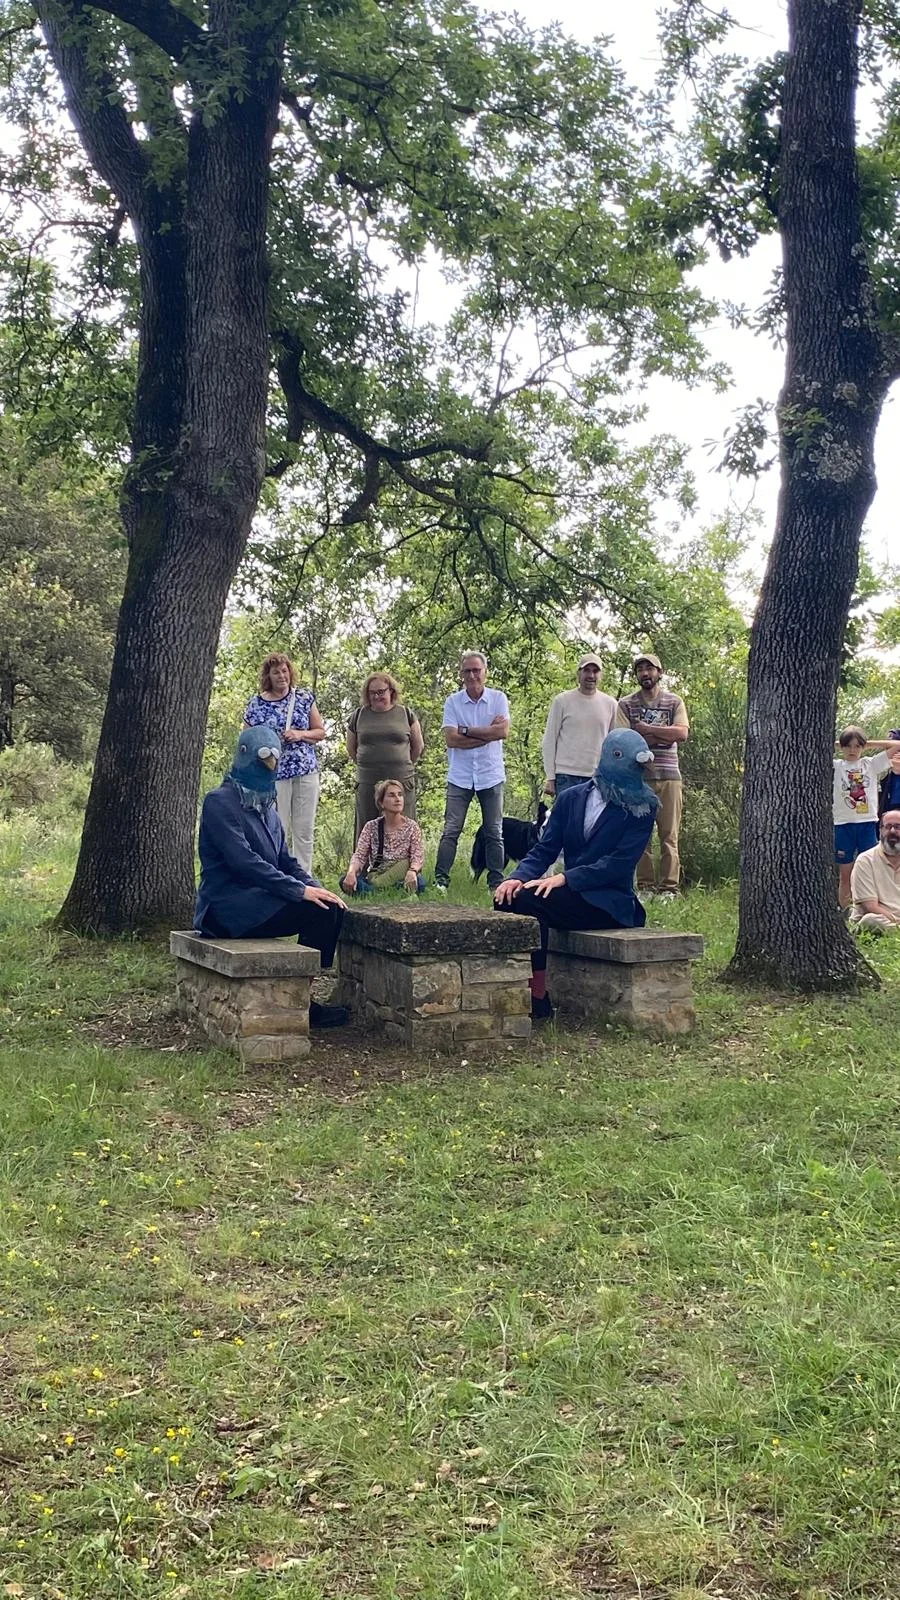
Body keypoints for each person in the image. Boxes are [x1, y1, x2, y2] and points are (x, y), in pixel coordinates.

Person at [494, 729, 657, 1020]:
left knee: (531, 901)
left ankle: (537, 997)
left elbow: (619, 864)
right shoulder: (571, 798)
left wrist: (567, 878)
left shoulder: (642, 807)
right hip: (572, 895)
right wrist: (517, 877)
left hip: (608, 902)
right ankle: (509, 988)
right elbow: (545, 849)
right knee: (508, 898)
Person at [193, 726, 348, 1027]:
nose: (268, 767)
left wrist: (314, 887)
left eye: (273, 760)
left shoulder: (267, 808)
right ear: (245, 757)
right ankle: (304, 1006)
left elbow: (285, 861)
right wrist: (298, 892)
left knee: (329, 907)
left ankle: (303, 995)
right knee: (317, 910)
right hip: (225, 910)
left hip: (258, 902)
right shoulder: (220, 802)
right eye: (262, 760)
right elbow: (244, 863)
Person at [434, 651, 510, 893]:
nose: (472, 675)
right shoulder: (452, 702)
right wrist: (487, 733)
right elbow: (451, 739)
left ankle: (495, 883)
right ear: (461, 674)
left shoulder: (498, 699)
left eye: (476, 670)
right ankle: (440, 881)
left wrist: (466, 730)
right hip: (460, 775)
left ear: (485, 672)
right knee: (451, 830)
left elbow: (502, 732)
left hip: (490, 775)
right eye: (467, 671)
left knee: (494, 831)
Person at [617, 652, 689, 900]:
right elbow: (624, 742)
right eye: (640, 669)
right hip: (638, 779)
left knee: (669, 835)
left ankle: (669, 889)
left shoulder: (674, 701)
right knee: (640, 835)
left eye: (650, 668)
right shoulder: (626, 704)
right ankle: (645, 887)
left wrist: (646, 730)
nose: (645, 673)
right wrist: (663, 735)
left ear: (659, 672)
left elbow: (681, 734)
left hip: (669, 777)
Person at [243, 653, 324, 873]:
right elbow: (246, 741)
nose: (281, 676)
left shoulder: (304, 698)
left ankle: (303, 876)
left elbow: (320, 732)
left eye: (285, 671)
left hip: (305, 771)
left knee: (304, 829)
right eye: (276, 672)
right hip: (273, 774)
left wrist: (300, 734)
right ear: (268, 676)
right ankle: (277, 875)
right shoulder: (257, 704)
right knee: (277, 827)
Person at [346, 671, 424, 837]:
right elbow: (351, 748)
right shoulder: (358, 715)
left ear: (391, 691)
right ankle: (369, 856)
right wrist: (368, 763)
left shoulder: (406, 713)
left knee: (403, 827)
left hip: (401, 780)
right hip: (368, 781)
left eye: (381, 692)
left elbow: (418, 746)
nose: (377, 696)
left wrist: (401, 763)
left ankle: (404, 856)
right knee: (367, 830)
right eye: (372, 693)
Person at [833, 726, 900, 909]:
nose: (852, 750)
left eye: (857, 746)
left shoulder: (870, 764)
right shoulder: (837, 766)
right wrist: (839, 744)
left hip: (867, 824)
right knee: (846, 874)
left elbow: (897, 745)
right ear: (842, 747)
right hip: (843, 824)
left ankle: (875, 910)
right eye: (848, 746)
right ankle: (846, 913)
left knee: (873, 870)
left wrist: (868, 744)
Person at [542, 653, 618, 798]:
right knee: (567, 813)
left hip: (598, 776)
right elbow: (550, 740)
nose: (591, 675)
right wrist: (550, 777)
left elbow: (614, 744)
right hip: (566, 775)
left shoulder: (611, 704)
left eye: (595, 671)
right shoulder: (562, 701)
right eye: (586, 670)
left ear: (601, 675)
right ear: (579, 673)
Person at [340, 778, 427, 895]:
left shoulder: (412, 826)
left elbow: (417, 856)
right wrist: (351, 872)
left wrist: (412, 871)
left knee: (420, 883)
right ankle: (383, 892)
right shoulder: (371, 826)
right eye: (391, 795)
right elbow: (359, 856)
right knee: (345, 880)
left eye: (400, 795)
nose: (397, 799)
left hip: (402, 877)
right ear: (381, 802)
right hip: (377, 875)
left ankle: (375, 893)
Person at [850, 810, 900, 932]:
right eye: (888, 827)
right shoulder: (865, 861)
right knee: (870, 921)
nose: (892, 831)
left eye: (898, 827)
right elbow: (870, 907)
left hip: (893, 927)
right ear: (880, 831)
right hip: (881, 921)